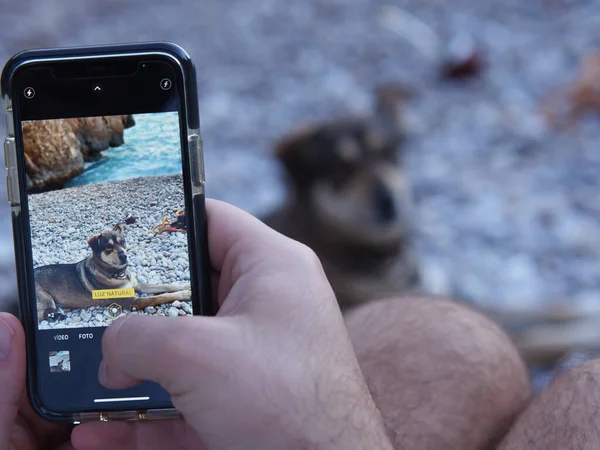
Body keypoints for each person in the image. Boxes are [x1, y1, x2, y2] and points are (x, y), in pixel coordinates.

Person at [0, 200, 593, 449]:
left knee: (445, 339)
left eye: (119, 250)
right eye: (112, 253)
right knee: (449, 341)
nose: (120, 256)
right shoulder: (82, 275)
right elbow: (129, 294)